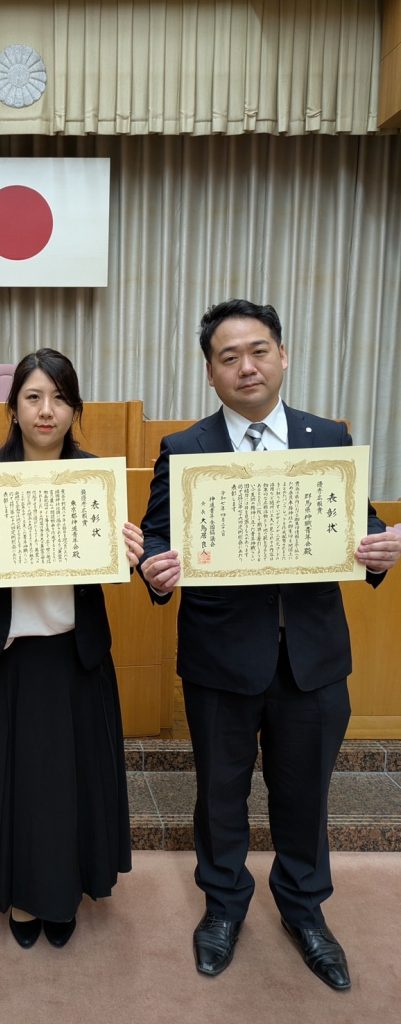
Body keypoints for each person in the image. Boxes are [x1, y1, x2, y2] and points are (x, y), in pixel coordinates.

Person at [138, 299, 401, 991]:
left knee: (305, 794)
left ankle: (304, 910)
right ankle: (223, 907)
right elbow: (157, 535)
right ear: (210, 373)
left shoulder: (328, 437)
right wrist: (155, 569)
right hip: (220, 659)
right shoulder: (184, 449)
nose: (246, 367)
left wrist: (380, 549)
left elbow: (361, 526)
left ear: (282, 356)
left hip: (312, 657)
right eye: (228, 357)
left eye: (258, 351)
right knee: (220, 794)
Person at [0, 349, 142, 949]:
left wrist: (127, 554)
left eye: (59, 398)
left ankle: (65, 892)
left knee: (69, 785)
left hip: (76, 656)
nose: (46, 410)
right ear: (13, 407)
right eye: (33, 397)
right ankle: (22, 894)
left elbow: (111, 572)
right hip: (8, 657)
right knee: (17, 787)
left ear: (75, 408)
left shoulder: (96, 478)